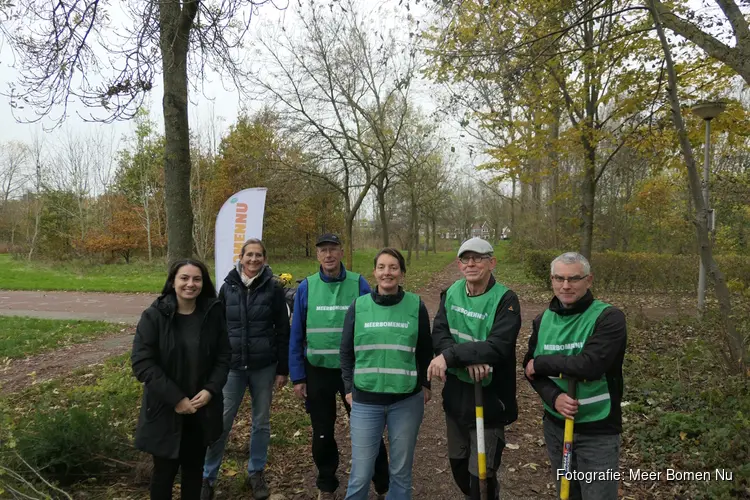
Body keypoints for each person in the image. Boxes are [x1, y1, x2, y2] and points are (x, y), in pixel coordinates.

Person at [289, 233, 389, 500]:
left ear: (342, 252)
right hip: (317, 371)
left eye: (333, 249)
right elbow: (296, 334)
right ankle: (326, 485)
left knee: (368, 429)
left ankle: (382, 485)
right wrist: (298, 376)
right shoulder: (306, 287)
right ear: (317, 255)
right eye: (323, 251)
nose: (329, 255)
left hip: (355, 372)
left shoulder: (359, 283)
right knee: (322, 432)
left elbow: (376, 321)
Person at [523, 252, 627, 500]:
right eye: (559, 278)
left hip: (598, 430)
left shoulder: (609, 318)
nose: (566, 285)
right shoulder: (542, 320)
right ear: (552, 280)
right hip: (556, 426)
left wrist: (542, 363)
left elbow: (590, 365)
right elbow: (528, 368)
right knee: (567, 494)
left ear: (588, 280)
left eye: (574, 279)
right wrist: (554, 396)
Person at [427, 237, 521, 500]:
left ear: (492, 262)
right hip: (456, 396)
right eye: (465, 259)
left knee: (482, 472)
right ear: (459, 264)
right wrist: (461, 357)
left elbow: (499, 346)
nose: (471, 263)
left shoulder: (506, 300)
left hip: (489, 399)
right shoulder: (451, 293)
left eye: (478, 258)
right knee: (458, 464)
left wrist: (451, 357)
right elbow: (441, 333)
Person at [132, 259, 231, 500]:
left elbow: (224, 356)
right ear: (173, 282)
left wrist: (210, 390)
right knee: (163, 475)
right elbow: (143, 363)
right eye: (184, 278)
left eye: (196, 279)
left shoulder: (212, 312)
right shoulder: (153, 316)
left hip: (201, 410)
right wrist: (176, 399)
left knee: (194, 474)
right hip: (165, 411)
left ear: (203, 282)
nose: (190, 284)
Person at [201, 239, 291, 500]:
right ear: (241, 258)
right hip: (232, 367)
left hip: (264, 366)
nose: (254, 259)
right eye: (249, 255)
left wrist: (282, 368)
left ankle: (256, 472)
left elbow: (282, 329)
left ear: (264, 258)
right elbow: (217, 328)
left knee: (261, 422)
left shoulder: (274, 288)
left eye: (259, 255)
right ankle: (208, 476)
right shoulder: (227, 287)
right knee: (222, 421)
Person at [341, 248, 432, 500]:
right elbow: (346, 351)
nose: (387, 272)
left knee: (401, 472)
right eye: (381, 267)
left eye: (393, 267)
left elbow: (425, 349)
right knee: (360, 472)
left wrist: (425, 383)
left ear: (402, 273)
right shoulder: (359, 306)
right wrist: (348, 387)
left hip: (406, 401)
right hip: (365, 401)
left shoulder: (416, 305)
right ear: (374, 272)